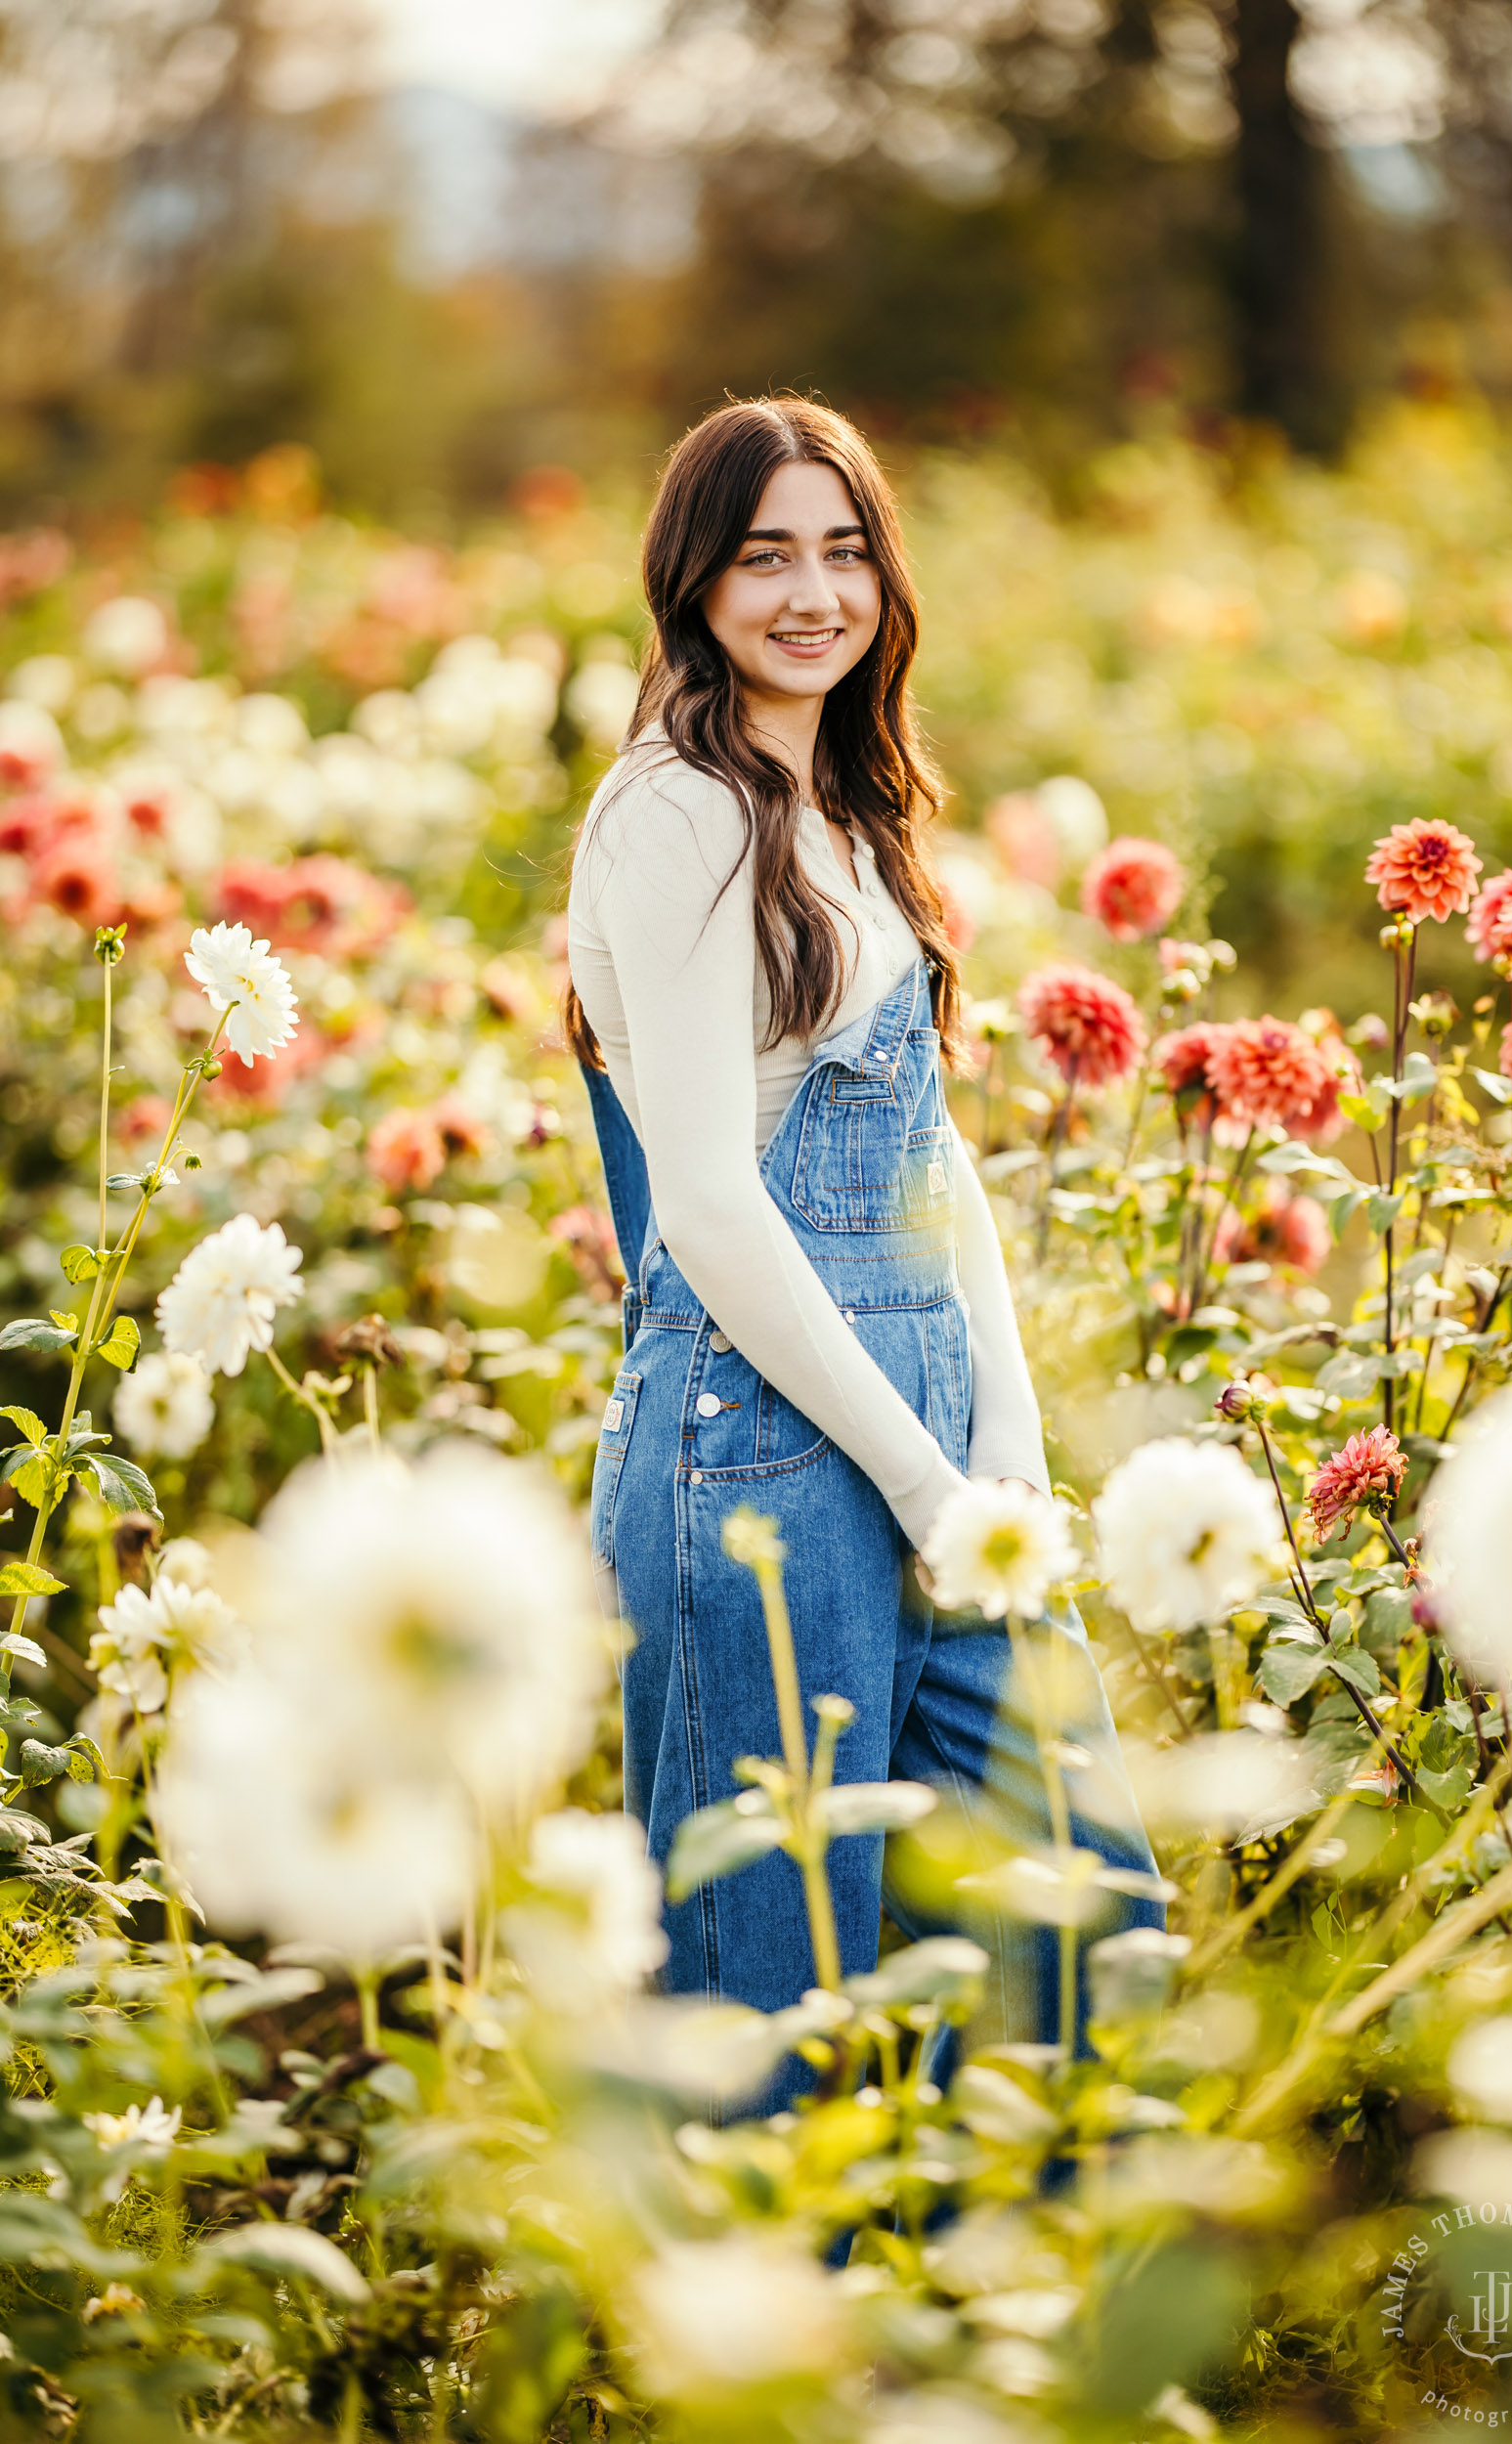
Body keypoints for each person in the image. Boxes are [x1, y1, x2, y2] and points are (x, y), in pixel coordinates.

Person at [566, 398, 1156, 2098]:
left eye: (845, 550)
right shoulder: (674, 814)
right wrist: (922, 1487)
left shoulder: (845, 806)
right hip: (753, 1448)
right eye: (766, 557)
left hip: (927, 1434)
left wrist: (1008, 1456)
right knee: (775, 1990)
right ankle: (781, 2350)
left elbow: (929, 1162)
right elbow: (711, 1205)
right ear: (696, 581)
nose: (812, 593)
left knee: (1086, 1920)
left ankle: (1007, 2329)